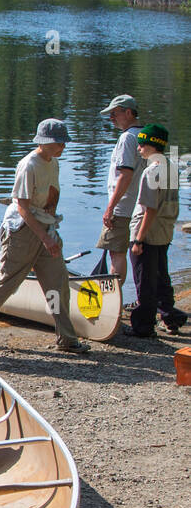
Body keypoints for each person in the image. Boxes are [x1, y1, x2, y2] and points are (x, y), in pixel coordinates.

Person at [0, 120, 89, 354]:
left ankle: (67, 338)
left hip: (45, 229)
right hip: (22, 231)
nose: (63, 146)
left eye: (64, 142)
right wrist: (45, 238)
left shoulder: (54, 164)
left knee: (57, 283)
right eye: (60, 142)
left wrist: (50, 232)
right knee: (7, 282)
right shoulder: (28, 165)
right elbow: (22, 208)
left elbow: (48, 200)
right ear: (46, 143)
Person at [124, 124, 187, 339]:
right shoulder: (170, 166)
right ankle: (170, 317)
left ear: (153, 145)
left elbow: (150, 209)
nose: (139, 148)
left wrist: (138, 240)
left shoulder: (151, 171)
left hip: (148, 233)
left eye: (142, 143)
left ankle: (143, 326)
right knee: (161, 277)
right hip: (164, 231)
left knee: (144, 280)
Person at [96, 94, 145, 286]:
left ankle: (112, 301)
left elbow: (125, 175)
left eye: (114, 113)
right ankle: (143, 298)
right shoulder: (145, 135)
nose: (111, 118)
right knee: (137, 253)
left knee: (116, 254)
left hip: (123, 207)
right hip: (141, 206)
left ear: (128, 112)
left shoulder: (126, 138)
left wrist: (110, 208)